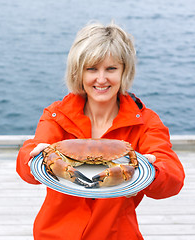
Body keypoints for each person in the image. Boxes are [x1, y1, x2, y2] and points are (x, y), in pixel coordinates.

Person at [16, 22, 185, 240]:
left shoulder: (146, 122)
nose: (102, 79)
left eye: (111, 69)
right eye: (92, 69)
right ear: (78, 72)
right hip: (55, 234)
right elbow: (29, 163)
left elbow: (173, 177)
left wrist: (153, 173)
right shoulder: (57, 115)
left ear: (125, 71)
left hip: (117, 234)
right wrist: (31, 156)